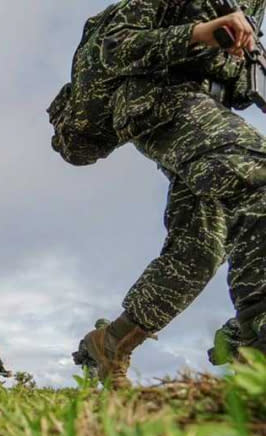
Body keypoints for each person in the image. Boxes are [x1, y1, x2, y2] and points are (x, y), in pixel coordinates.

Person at [78, 0, 266, 389]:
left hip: (208, 111)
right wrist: (202, 34)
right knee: (257, 176)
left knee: (199, 250)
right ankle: (259, 346)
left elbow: (235, 83)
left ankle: (112, 341)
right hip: (157, 100)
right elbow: (116, 46)